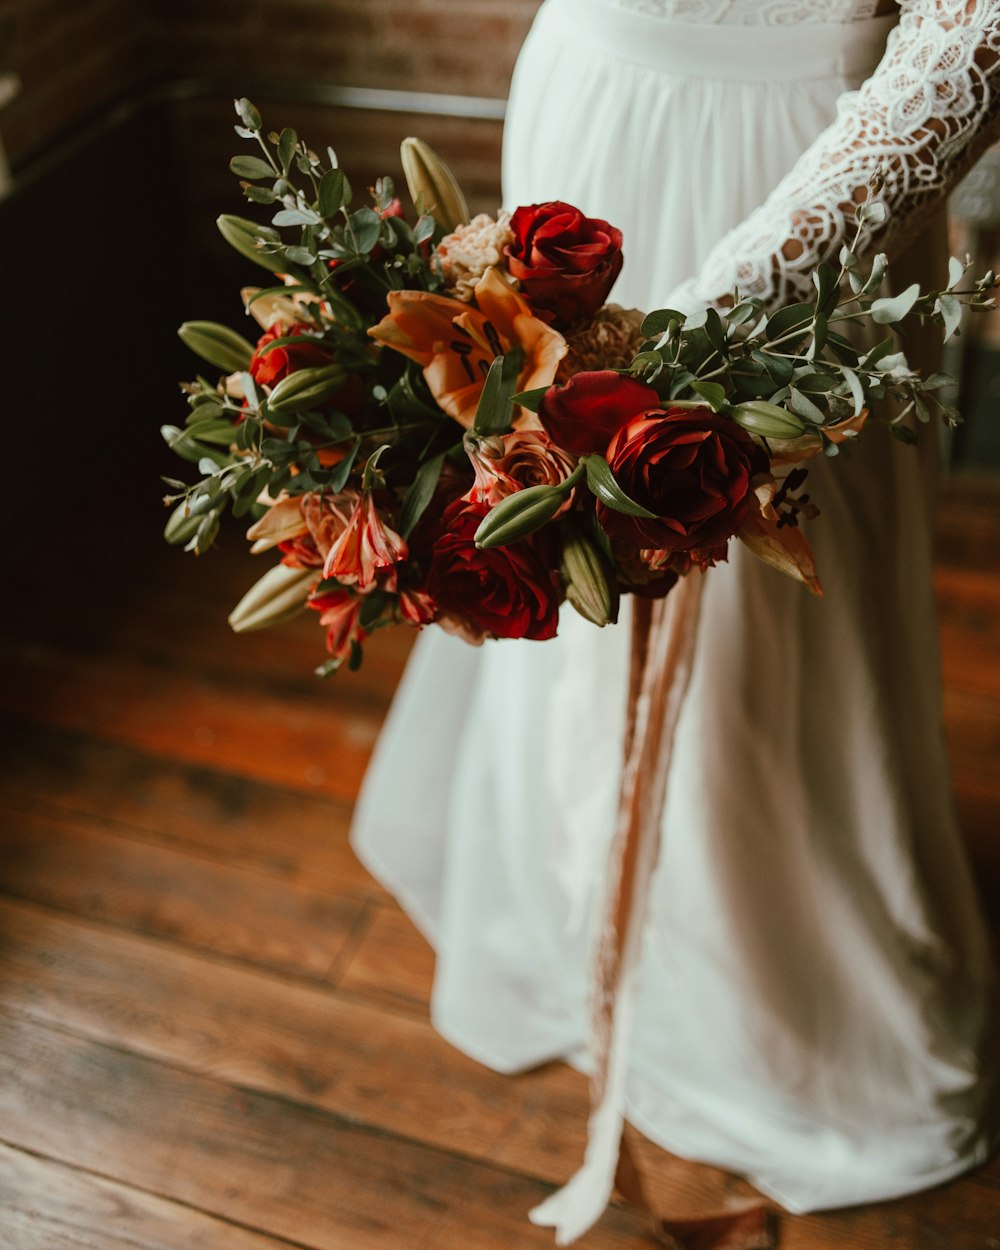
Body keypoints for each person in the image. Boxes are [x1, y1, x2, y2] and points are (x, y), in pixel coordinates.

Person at [352, 0, 1000, 1217]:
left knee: (782, 583)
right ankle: (583, 902)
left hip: (809, 154)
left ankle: (776, 1004)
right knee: (547, 521)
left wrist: (730, 306)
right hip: (595, 92)